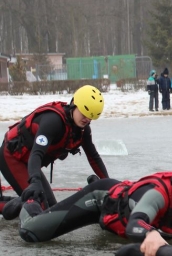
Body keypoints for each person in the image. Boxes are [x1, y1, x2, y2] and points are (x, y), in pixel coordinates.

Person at [17, 158, 172, 246]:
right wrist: (151, 234)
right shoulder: (159, 195)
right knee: (32, 233)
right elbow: (135, 225)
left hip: (126, 197)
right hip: (100, 199)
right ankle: (26, 201)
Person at [0, 85, 108, 219]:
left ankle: (18, 201)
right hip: (12, 157)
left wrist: (110, 185)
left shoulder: (82, 130)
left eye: (90, 117)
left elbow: (94, 157)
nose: (86, 119)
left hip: (30, 162)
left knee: (52, 208)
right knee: (42, 210)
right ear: (74, 104)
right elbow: (37, 153)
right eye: (83, 114)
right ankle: (15, 204)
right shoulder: (53, 122)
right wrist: (34, 181)